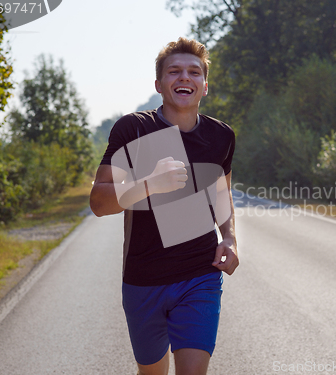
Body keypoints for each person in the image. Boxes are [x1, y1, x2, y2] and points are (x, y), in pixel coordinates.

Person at [90, 37, 238, 375]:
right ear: (159, 84)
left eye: (194, 72)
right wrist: (148, 185)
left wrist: (229, 237)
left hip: (199, 275)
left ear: (204, 86)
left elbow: (221, 192)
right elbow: (98, 202)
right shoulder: (134, 129)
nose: (184, 77)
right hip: (144, 279)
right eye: (174, 71)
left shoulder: (222, 137)